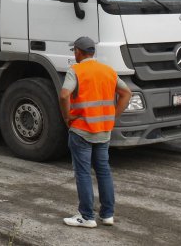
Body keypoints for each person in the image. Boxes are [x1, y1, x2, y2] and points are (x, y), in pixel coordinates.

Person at [59, 36, 132, 228]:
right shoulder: (108, 71)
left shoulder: (76, 70)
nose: (74, 54)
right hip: (103, 130)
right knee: (103, 171)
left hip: (82, 130)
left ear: (79, 52)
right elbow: (126, 93)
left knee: (83, 173)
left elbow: (64, 94)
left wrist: (67, 117)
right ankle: (107, 215)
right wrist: (113, 116)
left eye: (74, 51)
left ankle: (87, 216)